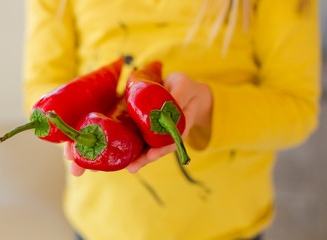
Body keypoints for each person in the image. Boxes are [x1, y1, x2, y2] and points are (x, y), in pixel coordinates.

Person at [23, 0, 321, 239]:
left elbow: (297, 108)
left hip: (226, 226)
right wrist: (72, 130)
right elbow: (42, 90)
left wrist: (203, 103)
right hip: (105, 224)